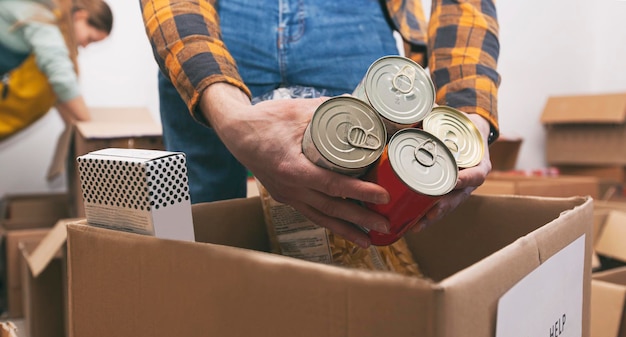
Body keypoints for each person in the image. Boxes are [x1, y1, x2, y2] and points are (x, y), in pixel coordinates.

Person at [140, 0, 500, 249]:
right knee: (195, 235)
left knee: (354, 242)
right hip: (211, 23)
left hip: (354, 20)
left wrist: (469, 112)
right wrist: (229, 115)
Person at [0, 0, 113, 138]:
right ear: (81, 16)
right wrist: (92, 130)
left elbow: (60, 95)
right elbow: (61, 77)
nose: (85, 45)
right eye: (90, 38)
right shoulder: (43, 16)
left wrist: (77, 128)